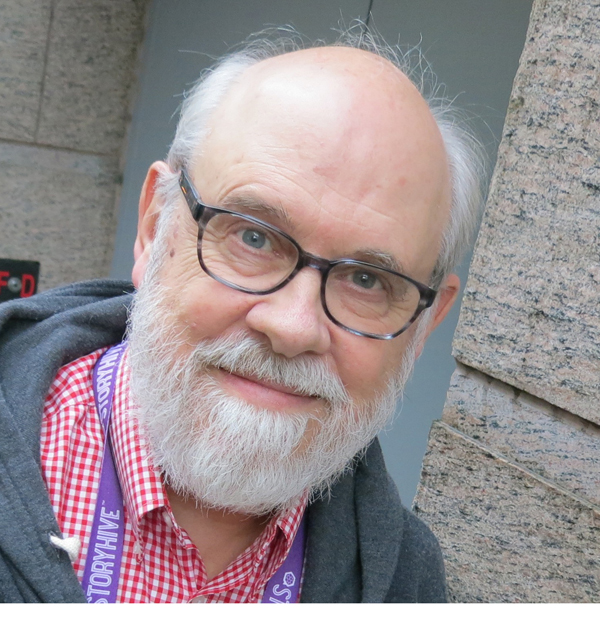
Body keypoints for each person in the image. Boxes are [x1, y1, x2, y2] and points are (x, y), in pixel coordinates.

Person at [0, 31, 484, 603]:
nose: (293, 327)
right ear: (154, 227)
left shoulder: (407, 586)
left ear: (425, 324)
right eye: (253, 237)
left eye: (367, 280)